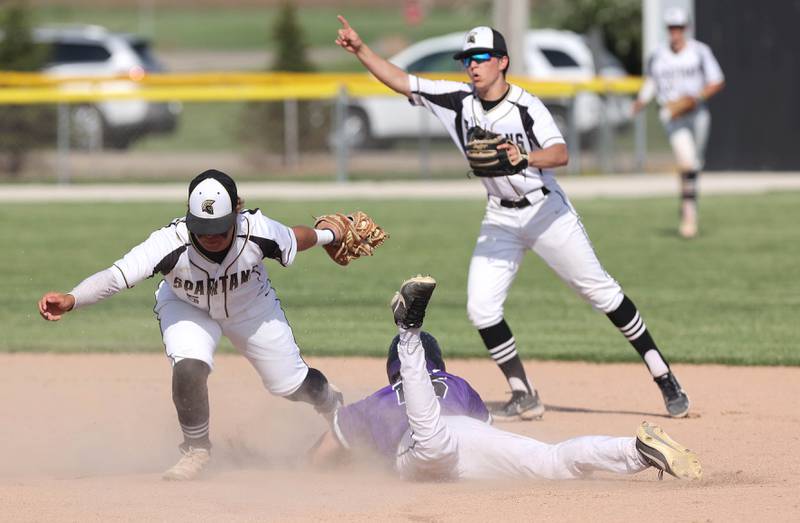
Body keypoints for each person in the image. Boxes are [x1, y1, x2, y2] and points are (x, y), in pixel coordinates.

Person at [334, 17, 691, 419]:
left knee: (602, 293)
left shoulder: (525, 106)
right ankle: (523, 393)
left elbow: (560, 153)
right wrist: (361, 49)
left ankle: (663, 376)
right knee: (481, 308)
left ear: (502, 61)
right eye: (467, 58)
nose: (472, 65)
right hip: (499, 217)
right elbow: (402, 81)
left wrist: (526, 157)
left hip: (545, 210)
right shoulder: (456, 100)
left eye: (481, 57)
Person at [37, 169, 347, 481]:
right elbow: (115, 277)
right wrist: (72, 298)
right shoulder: (170, 241)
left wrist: (330, 235)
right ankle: (196, 449)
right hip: (187, 305)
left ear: (235, 215)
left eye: (218, 229)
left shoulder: (257, 230)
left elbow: (294, 238)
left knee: (291, 384)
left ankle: (337, 409)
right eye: (203, 229)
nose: (211, 236)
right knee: (189, 366)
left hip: (251, 306)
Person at [309, 275, 702, 482]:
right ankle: (634, 450)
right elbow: (481, 429)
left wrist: (310, 472)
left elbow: (332, 440)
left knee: (428, 432)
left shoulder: (383, 394)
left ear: (390, 371)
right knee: (551, 462)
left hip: (424, 446)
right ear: (440, 363)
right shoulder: (458, 384)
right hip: (464, 447)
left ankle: (406, 330)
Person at [633, 6, 725, 238]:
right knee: (687, 163)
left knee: (695, 164)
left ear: (686, 28)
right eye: (672, 28)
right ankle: (689, 215)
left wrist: (696, 98)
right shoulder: (658, 55)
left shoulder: (700, 52)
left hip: (698, 113)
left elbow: (717, 80)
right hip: (671, 114)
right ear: (667, 29)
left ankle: (688, 201)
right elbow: (652, 81)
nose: (675, 32)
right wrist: (641, 101)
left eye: (679, 27)